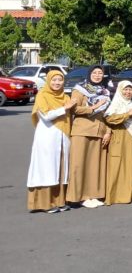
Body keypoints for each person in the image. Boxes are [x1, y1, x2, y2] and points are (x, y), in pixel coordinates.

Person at [27, 70, 75, 213]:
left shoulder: (65, 96)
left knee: (61, 168)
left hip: (63, 137)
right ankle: (45, 203)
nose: (57, 83)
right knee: (47, 168)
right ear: (48, 81)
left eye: (60, 80)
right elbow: (46, 116)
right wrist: (65, 108)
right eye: (54, 80)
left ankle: (60, 201)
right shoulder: (42, 95)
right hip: (47, 137)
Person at [66, 65, 111, 209]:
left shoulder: (105, 91)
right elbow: (74, 109)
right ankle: (79, 196)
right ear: (89, 74)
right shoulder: (80, 89)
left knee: (94, 166)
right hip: (82, 130)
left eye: (100, 73)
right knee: (79, 164)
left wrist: (108, 131)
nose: (97, 75)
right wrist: (93, 107)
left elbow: (107, 114)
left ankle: (93, 195)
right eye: (94, 72)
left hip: (99, 131)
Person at [103, 81, 132, 206]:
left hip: (130, 136)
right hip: (118, 134)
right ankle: (113, 195)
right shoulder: (116, 103)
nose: (128, 92)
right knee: (116, 165)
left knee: (128, 164)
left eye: (130, 89)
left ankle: (127, 194)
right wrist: (128, 114)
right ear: (120, 90)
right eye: (125, 89)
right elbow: (109, 119)